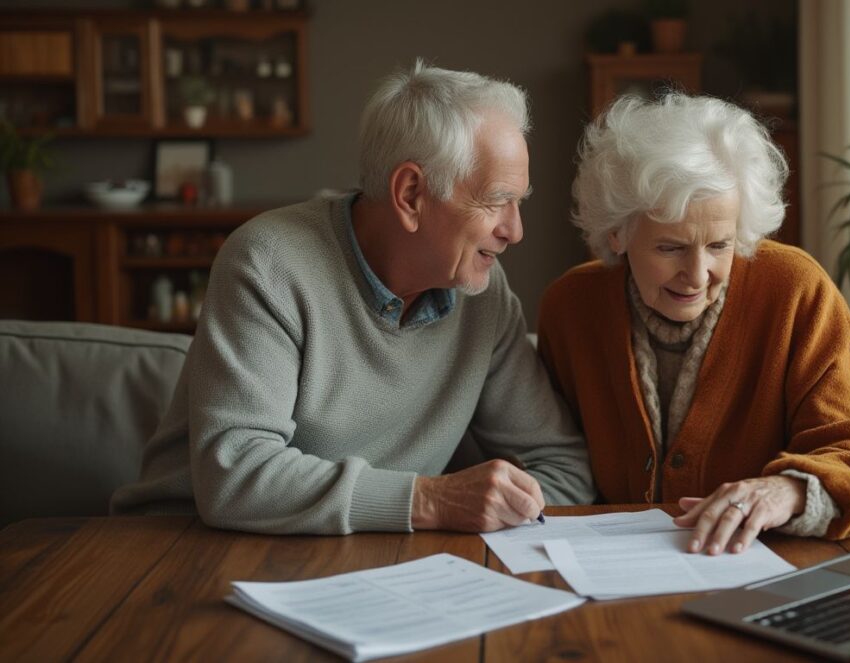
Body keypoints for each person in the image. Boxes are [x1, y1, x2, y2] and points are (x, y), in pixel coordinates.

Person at [111, 60, 595, 533]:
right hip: (183, 545)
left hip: (367, 554)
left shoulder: (482, 296)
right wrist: (431, 500)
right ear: (411, 194)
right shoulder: (269, 263)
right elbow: (235, 476)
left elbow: (562, 466)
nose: (515, 231)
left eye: (518, 202)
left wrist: (496, 509)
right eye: (496, 201)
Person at [537, 93, 850, 556]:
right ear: (618, 232)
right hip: (609, 569)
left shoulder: (795, 291)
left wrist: (789, 490)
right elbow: (548, 458)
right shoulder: (571, 307)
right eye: (671, 248)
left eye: (720, 245)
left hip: (761, 562)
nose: (698, 275)